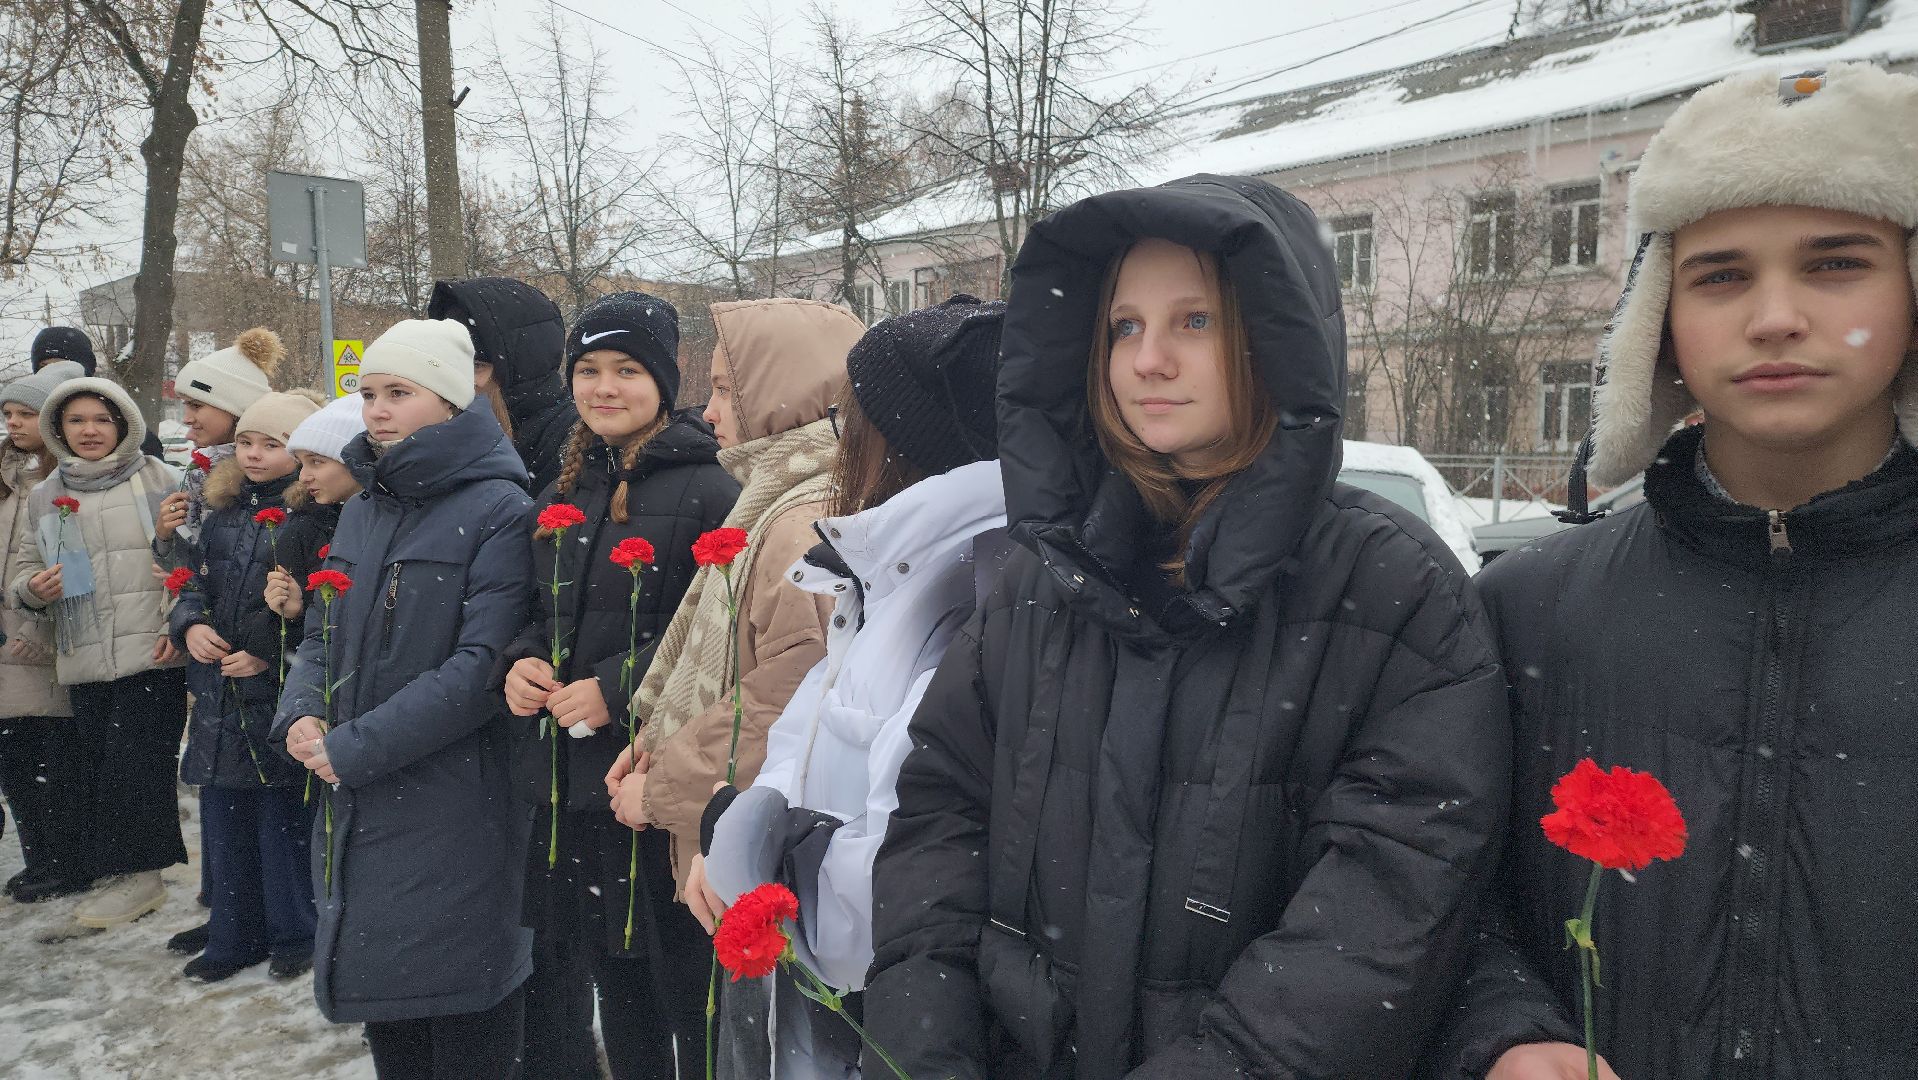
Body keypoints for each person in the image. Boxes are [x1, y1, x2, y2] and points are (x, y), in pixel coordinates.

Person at [861, 176, 1511, 1080]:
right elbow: (942, 817)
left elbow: (1383, 910)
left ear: (1277, 336)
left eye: (1194, 322)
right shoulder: (1038, 576)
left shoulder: (1393, 588)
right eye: (1124, 325)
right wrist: (929, 1050)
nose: (1147, 359)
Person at [1433, 64, 1918, 1080]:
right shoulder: (1525, 610)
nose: (1774, 315)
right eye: (1721, 274)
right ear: (1657, 314)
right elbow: (1442, 897)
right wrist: (1505, 1035)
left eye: (1836, 263)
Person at [699, 295, 1010, 1079]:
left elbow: (880, 908)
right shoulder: (894, 580)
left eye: (851, 424)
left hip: (880, 1020)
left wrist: (762, 859)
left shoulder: (959, 609)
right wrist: (755, 825)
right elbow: (801, 733)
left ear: (897, 444)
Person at [273, 318, 534, 1080]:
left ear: (452, 404)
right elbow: (324, 626)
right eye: (368, 393)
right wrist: (303, 710)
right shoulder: (364, 506)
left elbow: (481, 668)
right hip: (358, 801)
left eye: (399, 393)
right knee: (391, 1020)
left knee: (461, 1015)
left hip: (452, 804)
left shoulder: (498, 508)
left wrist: (354, 749)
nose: (377, 409)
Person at [503, 291, 739, 1079]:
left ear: (666, 384)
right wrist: (524, 661)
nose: (604, 387)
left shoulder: (710, 487)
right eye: (589, 369)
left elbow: (721, 629)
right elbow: (538, 609)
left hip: (656, 782)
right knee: (616, 982)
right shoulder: (566, 489)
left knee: (687, 987)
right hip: (574, 787)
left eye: (627, 370)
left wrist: (618, 685)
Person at [606, 298, 864, 894]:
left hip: (757, 850)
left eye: (726, 390)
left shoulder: (799, 522)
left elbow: (790, 695)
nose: (710, 410)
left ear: (784, 390)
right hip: (755, 833)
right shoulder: (785, 499)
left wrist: (666, 784)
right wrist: (653, 744)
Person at [10, 376, 187, 930]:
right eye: (76, 421)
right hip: (83, 651)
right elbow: (21, 568)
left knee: (139, 766)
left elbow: (188, 560)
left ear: (124, 423)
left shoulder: (160, 478)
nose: (89, 431)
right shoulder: (46, 493)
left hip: (151, 648)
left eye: (101, 420)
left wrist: (176, 625)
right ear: (57, 430)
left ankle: (144, 877)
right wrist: (32, 589)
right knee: (102, 768)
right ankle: (122, 869)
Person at [170, 391, 325, 983]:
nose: (255, 455)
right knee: (225, 814)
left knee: (280, 813)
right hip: (217, 690)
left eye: (273, 444)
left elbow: (317, 607)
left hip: (274, 690)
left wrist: (268, 654)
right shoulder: (222, 513)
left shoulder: (307, 519)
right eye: (246, 443)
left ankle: (293, 928)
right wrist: (192, 625)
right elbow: (192, 582)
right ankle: (233, 931)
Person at [150, 325, 281, 957]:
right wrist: (167, 541)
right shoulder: (206, 480)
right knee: (220, 788)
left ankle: (266, 917)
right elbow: (189, 572)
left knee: (260, 797)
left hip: (255, 663)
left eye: (199, 405)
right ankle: (228, 904)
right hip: (210, 657)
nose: (187, 416)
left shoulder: (268, 487)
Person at [0, 360, 86, 904]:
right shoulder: (6, 476)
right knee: (16, 762)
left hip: (38, 640)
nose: (13, 423)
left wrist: (37, 623)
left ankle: (62, 861)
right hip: (7, 635)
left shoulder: (59, 483)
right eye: (8, 412)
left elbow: (68, 571)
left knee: (48, 761)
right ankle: (43, 858)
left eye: (26, 413)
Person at [428, 277, 573, 493]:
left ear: (520, 368)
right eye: (451, 364)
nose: (458, 378)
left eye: (475, 366)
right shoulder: (444, 428)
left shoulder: (571, 441)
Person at [259, 394, 362, 631]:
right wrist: (296, 610)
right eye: (301, 464)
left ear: (353, 460)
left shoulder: (383, 523)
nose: (303, 477)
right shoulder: (309, 523)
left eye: (316, 461)